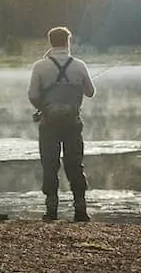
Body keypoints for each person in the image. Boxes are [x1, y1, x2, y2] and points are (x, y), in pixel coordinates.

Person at [27, 26, 95, 222]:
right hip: (73, 123)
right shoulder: (80, 65)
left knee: (49, 164)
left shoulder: (39, 66)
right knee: (75, 164)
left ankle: (51, 209)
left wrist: (44, 108)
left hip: (48, 123)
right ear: (68, 42)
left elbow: (32, 95)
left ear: (50, 42)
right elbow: (90, 92)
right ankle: (80, 208)